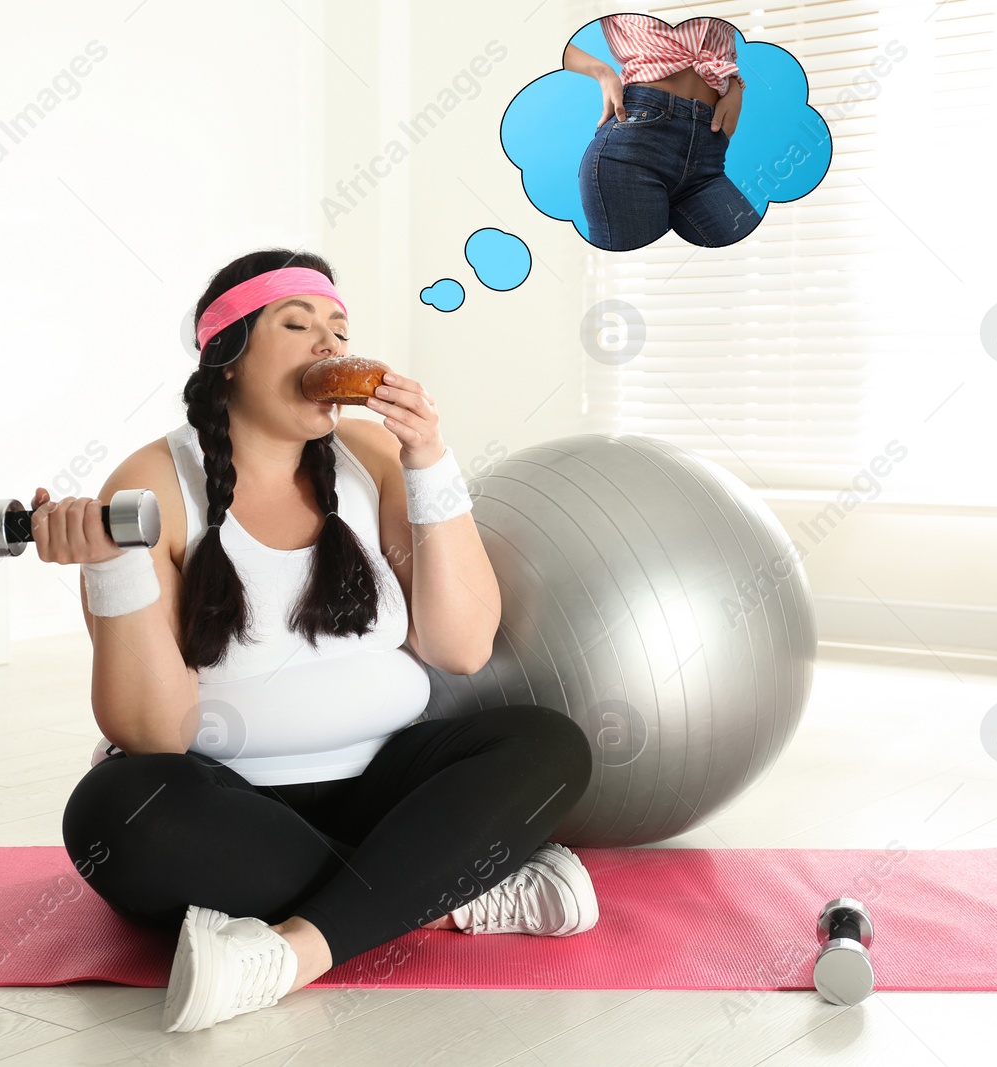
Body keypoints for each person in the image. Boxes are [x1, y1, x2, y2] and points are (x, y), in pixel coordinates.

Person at [46, 248, 598, 1033]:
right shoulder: (152, 485)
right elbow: (152, 735)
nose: (330, 348)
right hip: (232, 807)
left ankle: (291, 950)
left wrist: (430, 461)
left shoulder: (374, 458)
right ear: (227, 359)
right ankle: (450, 892)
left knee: (549, 745)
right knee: (112, 812)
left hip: (385, 786)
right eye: (298, 325)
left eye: (339, 330)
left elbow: (462, 645)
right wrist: (109, 567)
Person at [569, 14, 762, 250]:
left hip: (707, 151)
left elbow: (718, 46)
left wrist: (734, 86)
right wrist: (602, 71)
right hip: (636, 147)